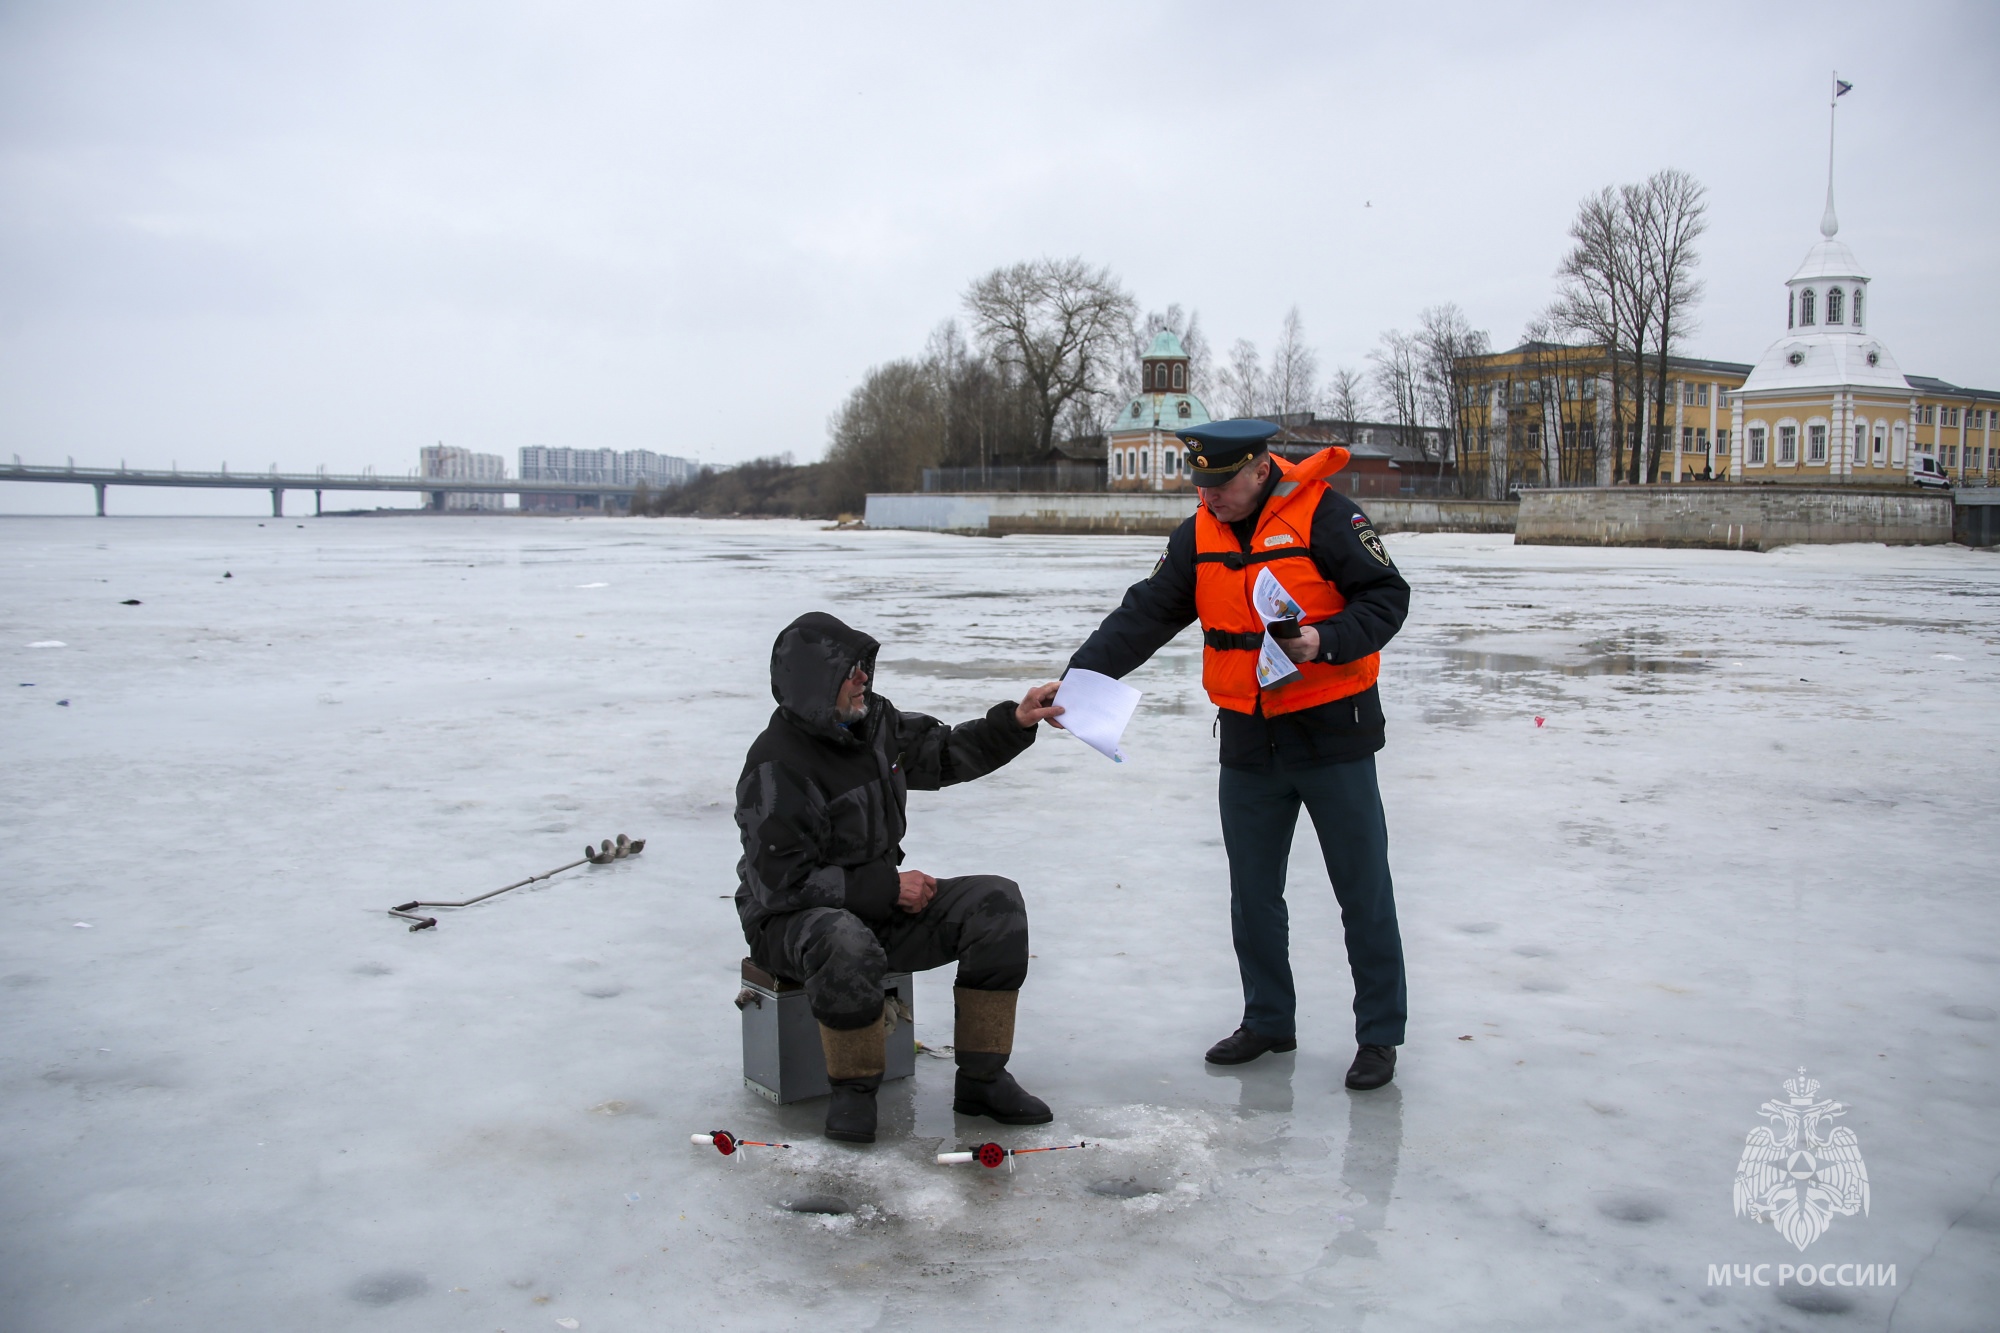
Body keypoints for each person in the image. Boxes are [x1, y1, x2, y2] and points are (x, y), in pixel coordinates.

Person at [1066, 419, 1412, 1091]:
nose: (1208, 496)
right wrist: (1080, 678)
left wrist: (1326, 638)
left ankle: (1378, 1035)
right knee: (1254, 894)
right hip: (1249, 740)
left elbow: (1387, 596)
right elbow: (1145, 613)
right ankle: (1268, 1019)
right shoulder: (1197, 534)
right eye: (1200, 484)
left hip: (1332, 732)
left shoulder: (1327, 515)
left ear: (1259, 470)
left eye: (1219, 484)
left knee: (1362, 890)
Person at [733, 611, 1064, 1143]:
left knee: (996, 904)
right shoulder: (776, 765)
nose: (864, 677)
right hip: (786, 925)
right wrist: (887, 888)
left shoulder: (875, 723)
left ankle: (982, 1079)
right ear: (815, 681)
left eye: (864, 665)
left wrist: (1015, 722)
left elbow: (944, 753)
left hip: (870, 903)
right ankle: (853, 1092)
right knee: (843, 939)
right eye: (849, 670)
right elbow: (779, 885)